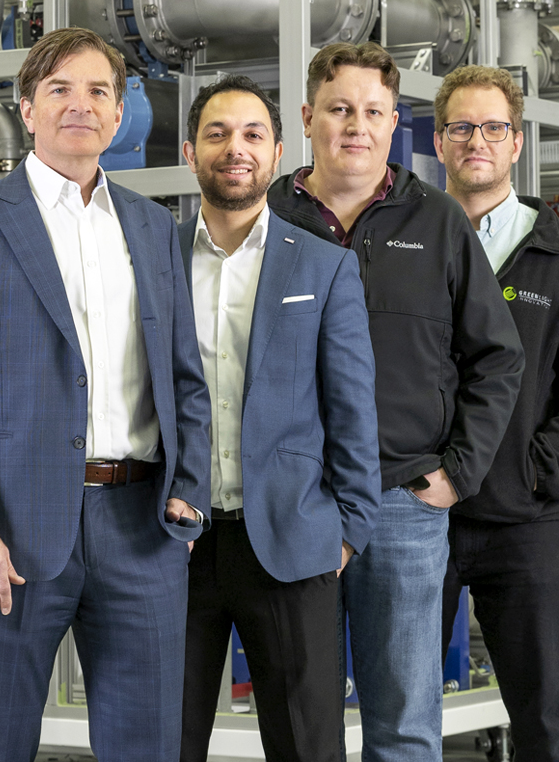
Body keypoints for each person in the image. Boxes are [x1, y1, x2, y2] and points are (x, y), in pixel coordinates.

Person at [0, 27, 211, 761]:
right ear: (27, 107)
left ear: (117, 114)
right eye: (60, 89)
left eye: (99, 91)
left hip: (142, 529)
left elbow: (184, 375)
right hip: (7, 535)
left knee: (146, 746)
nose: (81, 105)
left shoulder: (153, 227)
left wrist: (189, 488)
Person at [268, 42, 525, 761]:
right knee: (300, 717)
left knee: (406, 718)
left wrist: (459, 471)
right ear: (308, 116)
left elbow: (498, 356)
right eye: (340, 109)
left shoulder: (438, 221)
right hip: (292, 502)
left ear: (394, 122)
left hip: (402, 502)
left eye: (373, 111)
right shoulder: (268, 214)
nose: (356, 125)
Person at [177, 74, 381, 762]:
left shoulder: (323, 268)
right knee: (164, 741)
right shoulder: (153, 261)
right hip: (173, 544)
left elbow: (353, 412)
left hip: (292, 545)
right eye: (217, 133)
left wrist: (346, 531)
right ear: (189, 150)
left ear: (276, 151)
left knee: (306, 745)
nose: (235, 148)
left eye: (252, 134)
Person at [433, 65, 559, 761]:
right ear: (438, 141)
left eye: (493, 127)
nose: (477, 141)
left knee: (550, 720)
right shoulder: (406, 246)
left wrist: (534, 475)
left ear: (517, 143)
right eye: (462, 127)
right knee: (399, 712)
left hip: (528, 523)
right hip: (420, 515)